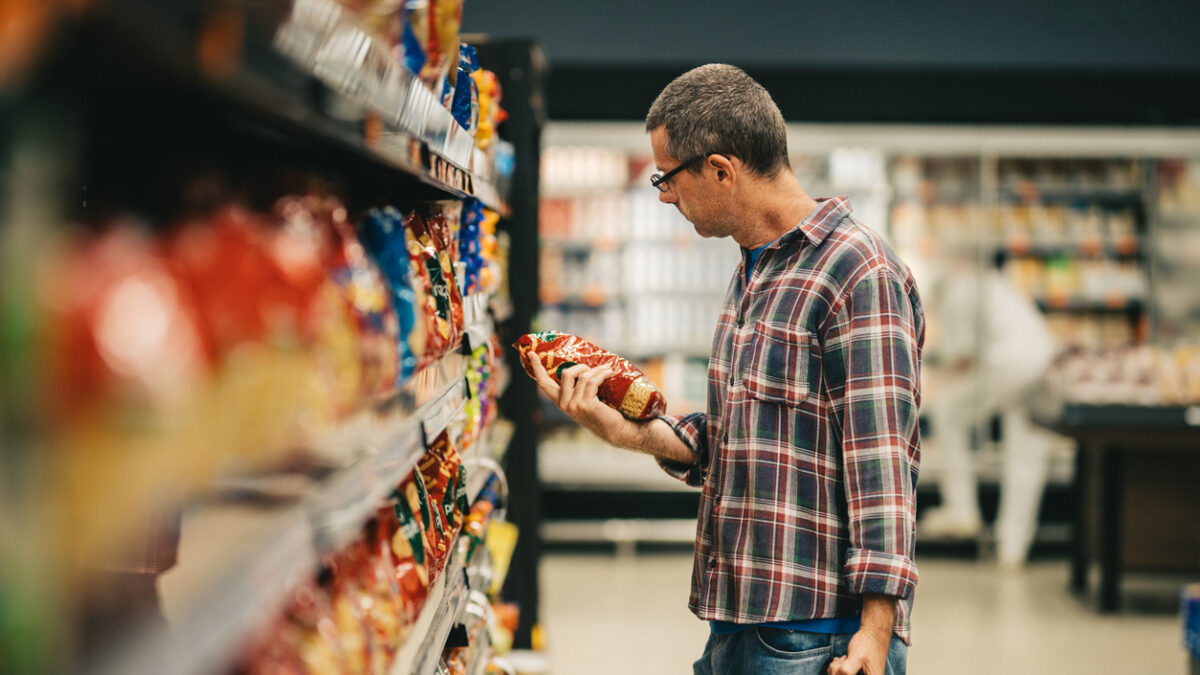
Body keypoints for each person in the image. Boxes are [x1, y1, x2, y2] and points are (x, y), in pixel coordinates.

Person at [521, 64, 923, 675]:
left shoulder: (857, 272)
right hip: (739, 619)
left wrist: (876, 629)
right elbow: (737, 442)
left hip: (817, 635)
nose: (662, 195)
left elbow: (883, 461)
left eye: (667, 176)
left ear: (720, 169)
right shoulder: (754, 271)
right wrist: (618, 428)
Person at [919, 265, 1057, 567]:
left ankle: (962, 509)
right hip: (1042, 359)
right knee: (1026, 457)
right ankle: (1012, 549)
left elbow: (963, 358)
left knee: (948, 413)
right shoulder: (987, 281)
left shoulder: (954, 295)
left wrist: (928, 371)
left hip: (1008, 361)